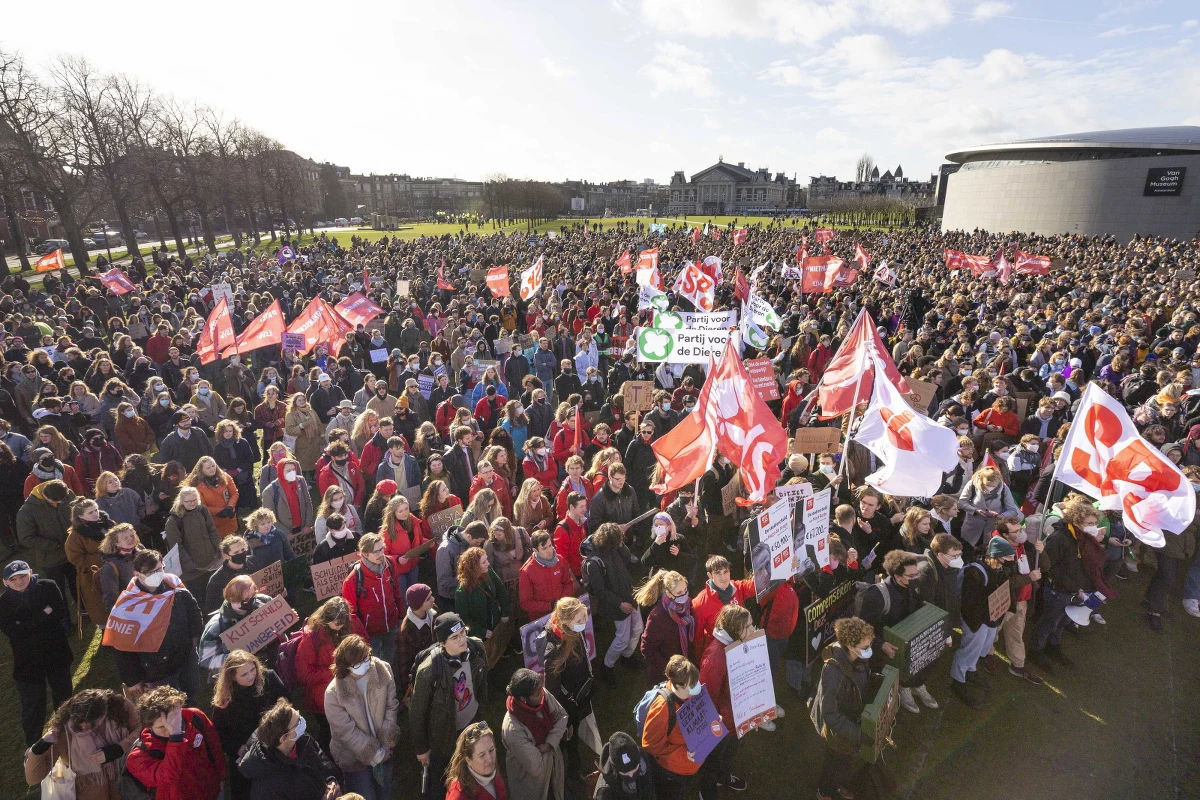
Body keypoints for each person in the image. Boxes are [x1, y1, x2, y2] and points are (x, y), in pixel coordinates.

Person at [107, 549, 204, 704]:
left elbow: (193, 611)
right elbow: (121, 647)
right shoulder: (126, 606)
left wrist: (194, 640)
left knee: (191, 693)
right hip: (156, 670)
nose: (156, 575)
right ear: (136, 574)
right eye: (150, 572)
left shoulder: (174, 586)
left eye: (159, 569)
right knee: (168, 705)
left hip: (186, 656)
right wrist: (132, 680)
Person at [409, 612, 489, 800]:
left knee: (473, 772)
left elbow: (482, 681)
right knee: (443, 781)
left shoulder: (476, 647)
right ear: (442, 643)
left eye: (463, 632)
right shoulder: (429, 670)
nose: (462, 640)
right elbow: (417, 712)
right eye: (455, 637)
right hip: (444, 736)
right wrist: (421, 748)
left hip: (472, 723)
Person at [0, 560, 74, 746]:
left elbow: (60, 611)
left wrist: (26, 623)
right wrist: (44, 614)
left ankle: (69, 733)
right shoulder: (3, 604)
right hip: (28, 663)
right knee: (33, 707)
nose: (19, 581)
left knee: (64, 697)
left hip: (57, 654)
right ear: (5, 582)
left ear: (31, 572)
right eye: (13, 579)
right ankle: (33, 747)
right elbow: (13, 631)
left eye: (23, 576)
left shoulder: (48, 586)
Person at [858, 550, 939, 714]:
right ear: (896, 576)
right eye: (911, 576)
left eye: (916, 573)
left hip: (907, 641)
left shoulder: (911, 587)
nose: (916, 577)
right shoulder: (877, 596)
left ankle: (915, 686)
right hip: (884, 651)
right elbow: (863, 627)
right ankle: (901, 693)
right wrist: (880, 644)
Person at [23, 688, 140, 800]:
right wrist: (38, 749)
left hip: (125, 785)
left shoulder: (119, 707)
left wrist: (119, 748)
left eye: (90, 723)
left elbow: (143, 728)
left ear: (103, 714)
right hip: (88, 792)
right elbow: (33, 779)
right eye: (79, 722)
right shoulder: (64, 731)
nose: (83, 727)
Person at [324, 634, 400, 800]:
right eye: (358, 662)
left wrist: (386, 743)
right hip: (354, 758)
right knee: (364, 796)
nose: (366, 664)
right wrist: (375, 754)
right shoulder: (333, 693)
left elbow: (391, 705)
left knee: (384, 792)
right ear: (346, 665)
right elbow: (346, 732)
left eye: (367, 658)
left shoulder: (383, 670)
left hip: (384, 748)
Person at [210, 650, 290, 800]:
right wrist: (237, 748)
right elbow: (219, 733)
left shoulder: (269, 677)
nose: (251, 676)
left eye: (253, 669)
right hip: (246, 752)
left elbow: (286, 700)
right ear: (232, 677)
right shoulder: (225, 699)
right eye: (244, 674)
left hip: (275, 743)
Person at [810, 617, 874, 800]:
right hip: (838, 732)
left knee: (844, 762)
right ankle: (825, 791)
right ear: (850, 646)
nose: (868, 651)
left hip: (850, 722)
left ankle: (837, 785)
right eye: (864, 648)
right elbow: (830, 714)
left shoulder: (858, 659)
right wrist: (857, 734)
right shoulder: (833, 671)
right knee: (834, 762)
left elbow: (862, 679)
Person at [125, 685, 226, 800]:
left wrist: (221, 777)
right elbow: (167, 776)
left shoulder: (195, 717)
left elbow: (215, 748)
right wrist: (176, 737)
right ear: (149, 726)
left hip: (211, 792)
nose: (169, 729)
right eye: (162, 726)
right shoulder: (138, 757)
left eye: (174, 721)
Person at [295, 597, 369, 752]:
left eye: (344, 622)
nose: (341, 626)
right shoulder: (312, 638)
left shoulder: (354, 622)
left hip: (354, 690)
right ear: (325, 620)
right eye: (337, 624)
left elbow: (365, 645)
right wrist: (336, 671)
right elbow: (304, 675)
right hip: (325, 698)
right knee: (330, 733)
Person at [640, 654, 718, 800]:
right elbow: (650, 745)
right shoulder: (662, 708)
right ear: (678, 686)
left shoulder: (689, 687)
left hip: (689, 766)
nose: (696, 689)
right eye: (691, 687)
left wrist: (712, 719)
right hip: (672, 770)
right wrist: (682, 754)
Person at [952, 536, 1017, 708]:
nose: (1012, 560)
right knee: (969, 649)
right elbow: (969, 602)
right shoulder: (976, 573)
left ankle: (971, 670)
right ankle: (958, 680)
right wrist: (979, 623)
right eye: (1009, 557)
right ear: (998, 556)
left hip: (990, 619)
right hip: (976, 620)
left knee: (982, 647)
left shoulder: (1000, 569)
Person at [236, 698, 341, 800]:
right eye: (298, 722)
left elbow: (321, 758)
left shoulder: (303, 739)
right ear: (283, 738)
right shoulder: (267, 782)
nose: (302, 721)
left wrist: (331, 780)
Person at [699, 605, 754, 788]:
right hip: (724, 723)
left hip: (738, 718)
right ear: (735, 629)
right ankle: (707, 790)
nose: (753, 630)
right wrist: (716, 727)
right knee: (714, 758)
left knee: (729, 753)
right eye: (749, 626)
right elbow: (707, 697)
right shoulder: (716, 657)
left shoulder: (739, 644)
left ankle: (723, 777)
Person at [582, 522, 642, 684]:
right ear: (610, 542)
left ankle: (627, 656)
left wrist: (621, 544)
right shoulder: (593, 563)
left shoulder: (613, 547)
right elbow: (600, 591)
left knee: (638, 628)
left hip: (630, 595)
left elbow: (627, 557)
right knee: (622, 638)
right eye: (618, 540)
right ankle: (607, 666)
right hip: (617, 605)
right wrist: (620, 604)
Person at [502, 668, 569, 800]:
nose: (543, 694)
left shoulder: (541, 695)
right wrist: (555, 740)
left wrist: (549, 744)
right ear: (523, 698)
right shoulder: (513, 729)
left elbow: (562, 716)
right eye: (537, 694)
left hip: (552, 770)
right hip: (531, 782)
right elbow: (536, 767)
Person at [341, 533, 404, 664]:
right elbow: (350, 615)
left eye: (382, 548)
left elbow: (397, 590)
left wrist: (401, 615)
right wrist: (359, 635)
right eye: (376, 551)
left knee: (389, 657)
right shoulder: (352, 581)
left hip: (391, 624)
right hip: (369, 633)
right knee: (372, 663)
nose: (381, 554)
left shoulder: (390, 563)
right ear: (363, 554)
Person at [15, 478, 76, 607]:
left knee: (77, 585)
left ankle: (84, 611)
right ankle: (64, 619)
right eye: (55, 501)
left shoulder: (67, 494)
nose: (59, 503)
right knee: (57, 592)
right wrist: (54, 545)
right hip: (51, 559)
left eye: (62, 500)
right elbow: (26, 538)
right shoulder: (26, 511)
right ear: (44, 496)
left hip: (73, 553)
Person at [198, 575, 277, 674]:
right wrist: (236, 658)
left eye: (253, 596)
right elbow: (206, 660)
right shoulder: (217, 626)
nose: (251, 602)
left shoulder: (263, 602)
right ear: (231, 599)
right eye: (245, 600)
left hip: (271, 661)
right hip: (241, 675)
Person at [690, 555, 755, 660]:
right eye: (718, 573)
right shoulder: (699, 603)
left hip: (740, 646)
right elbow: (698, 639)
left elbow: (757, 585)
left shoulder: (737, 587)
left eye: (726, 572)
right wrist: (701, 662)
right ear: (709, 575)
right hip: (719, 654)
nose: (723, 577)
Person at [455, 545, 511, 665]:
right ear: (474, 566)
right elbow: (464, 618)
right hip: (482, 634)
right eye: (484, 562)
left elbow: (501, 590)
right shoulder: (463, 591)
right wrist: (481, 632)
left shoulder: (489, 572)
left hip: (496, 624)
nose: (488, 563)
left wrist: (505, 612)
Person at [637, 570, 693, 689]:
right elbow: (647, 649)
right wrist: (672, 670)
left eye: (685, 590)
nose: (684, 595)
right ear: (668, 594)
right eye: (679, 592)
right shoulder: (657, 617)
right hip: (667, 677)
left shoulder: (687, 605)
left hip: (686, 667)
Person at [165, 485, 223, 592]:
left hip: (211, 563)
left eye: (195, 500)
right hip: (192, 571)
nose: (192, 503)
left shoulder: (202, 510)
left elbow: (212, 531)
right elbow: (177, 547)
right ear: (181, 501)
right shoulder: (173, 521)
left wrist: (221, 549)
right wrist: (190, 565)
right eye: (188, 501)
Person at [65, 497, 114, 625]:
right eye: (90, 512)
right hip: (94, 578)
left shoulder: (108, 524)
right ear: (80, 517)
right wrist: (104, 558)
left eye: (96, 510)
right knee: (103, 611)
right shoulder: (75, 537)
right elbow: (77, 558)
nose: (95, 514)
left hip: (116, 571)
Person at [381, 493, 432, 596]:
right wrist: (397, 559)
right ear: (393, 513)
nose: (405, 513)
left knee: (415, 595)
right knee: (404, 597)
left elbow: (420, 538)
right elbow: (383, 554)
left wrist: (427, 543)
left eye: (406, 508)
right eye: (400, 511)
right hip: (399, 571)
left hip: (413, 566)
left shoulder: (413, 521)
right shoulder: (387, 530)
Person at [520, 530, 577, 619]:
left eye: (550, 545)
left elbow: (568, 583)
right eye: (544, 548)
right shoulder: (527, 571)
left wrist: (561, 602)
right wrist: (550, 605)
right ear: (535, 550)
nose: (549, 550)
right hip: (541, 618)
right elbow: (526, 603)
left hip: (562, 611)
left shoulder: (560, 560)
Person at [445, 721, 508, 800]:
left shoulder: (494, 775)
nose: (489, 759)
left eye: (491, 750)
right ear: (468, 760)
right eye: (482, 755)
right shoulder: (459, 794)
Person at [397, 583, 437, 701]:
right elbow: (404, 661)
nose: (433, 599)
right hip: (423, 671)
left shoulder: (433, 611)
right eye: (428, 598)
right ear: (419, 604)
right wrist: (409, 684)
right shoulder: (406, 630)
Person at [436, 521, 488, 610]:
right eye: (477, 542)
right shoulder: (445, 549)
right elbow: (444, 581)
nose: (478, 545)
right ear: (468, 536)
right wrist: (469, 579)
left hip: (465, 592)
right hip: (450, 598)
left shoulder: (468, 543)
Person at [593, 731, 655, 800]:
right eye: (625, 772)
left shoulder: (644, 758)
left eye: (635, 769)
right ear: (616, 769)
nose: (631, 775)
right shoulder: (605, 792)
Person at [205, 534, 253, 612]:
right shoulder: (217, 580)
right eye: (236, 552)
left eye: (243, 550)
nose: (241, 553)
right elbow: (213, 608)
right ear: (226, 556)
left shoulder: (254, 563)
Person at [554, 491, 589, 582]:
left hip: (584, 571)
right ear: (571, 507)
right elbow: (562, 560)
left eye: (585, 506)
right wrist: (573, 581)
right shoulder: (562, 529)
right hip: (574, 577)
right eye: (581, 506)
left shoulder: (582, 523)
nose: (585, 509)